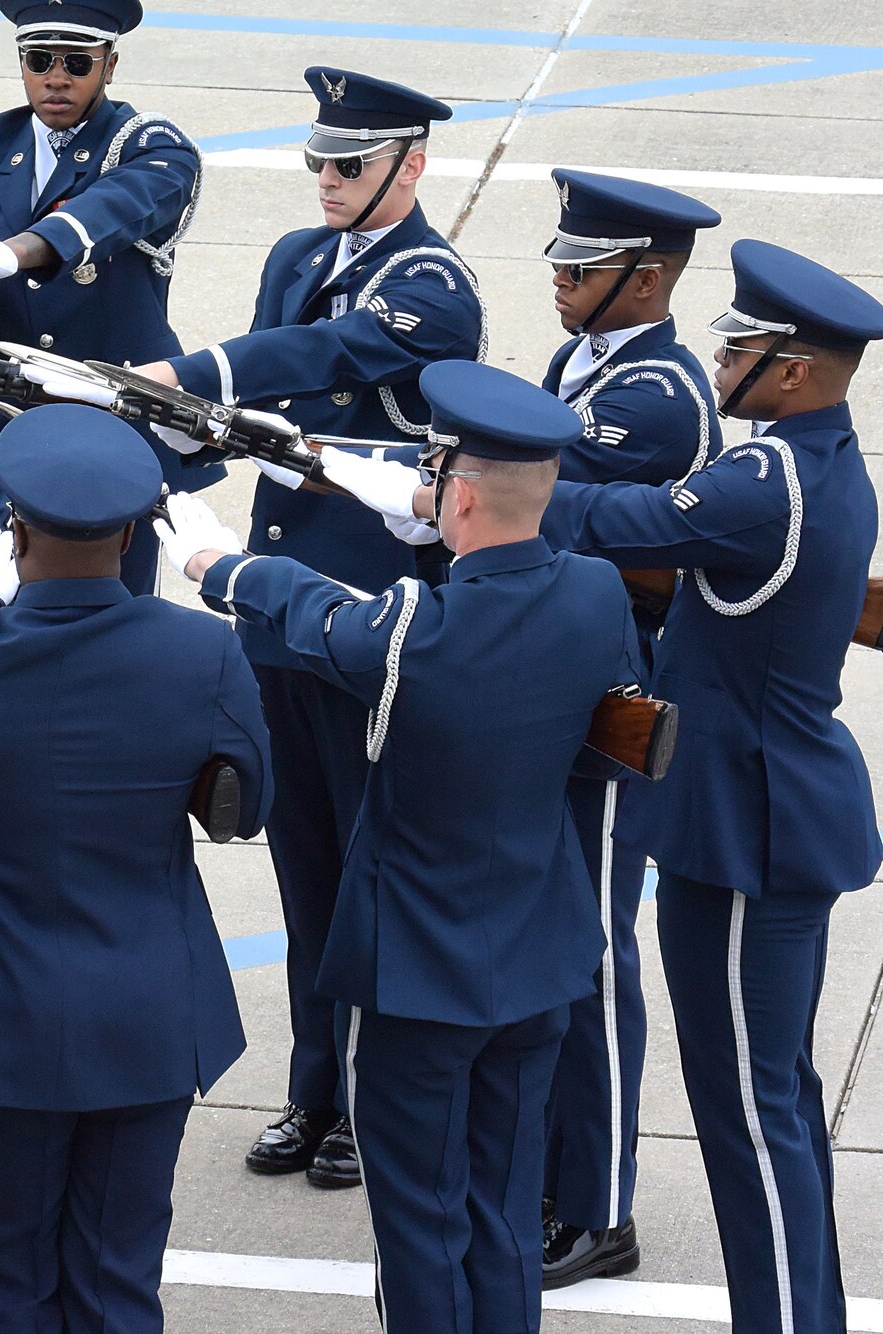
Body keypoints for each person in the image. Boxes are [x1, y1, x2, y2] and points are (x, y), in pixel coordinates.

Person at [396, 241, 875, 1334]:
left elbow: (620, 522)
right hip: (760, 807)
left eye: (738, 345)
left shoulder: (765, 479)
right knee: (774, 1097)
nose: (718, 356)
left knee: (751, 1111)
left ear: (789, 370)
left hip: (746, 824)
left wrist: (463, 487)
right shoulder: (817, 462)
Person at [157, 359, 645, 1333]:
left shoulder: (415, 628)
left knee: (417, 1218)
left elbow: (317, 617)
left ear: (455, 494)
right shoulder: (593, 593)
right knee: (501, 1213)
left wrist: (221, 567)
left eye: (431, 475)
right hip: (538, 958)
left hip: (416, 974)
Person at [133, 67, 484, 1187]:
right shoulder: (295, 257)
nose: (326, 181)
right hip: (277, 613)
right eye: (315, 163)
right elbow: (255, 416)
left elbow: (316, 362)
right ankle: (311, 1088)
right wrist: (160, 428)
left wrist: (184, 373)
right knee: (303, 871)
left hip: (364, 619)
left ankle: (364, 1105)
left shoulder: (430, 283)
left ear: (408, 164)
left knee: (369, 870)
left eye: (349, 165)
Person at [0, 404, 270, 1331]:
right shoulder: (202, 649)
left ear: (15, 531)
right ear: (131, 534)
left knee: (8, 1283)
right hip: (143, 1006)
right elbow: (245, 810)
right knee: (116, 1277)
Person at [531, 168, 721, 1288]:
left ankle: (599, 1206)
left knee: (594, 952)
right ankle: (559, 1173)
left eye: (579, 270)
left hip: (615, 696)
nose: (557, 280)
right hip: (566, 675)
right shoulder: (586, 359)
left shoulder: (652, 393)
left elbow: (538, 488)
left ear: (643, 280)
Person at [0, 0, 209, 591]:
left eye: (77, 61)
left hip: (116, 419)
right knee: (4, 593)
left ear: (110, 64)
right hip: (11, 418)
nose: (56, 76)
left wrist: (17, 251)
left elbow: (116, 206)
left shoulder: (145, 142)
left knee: (112, 600)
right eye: (39, 59)